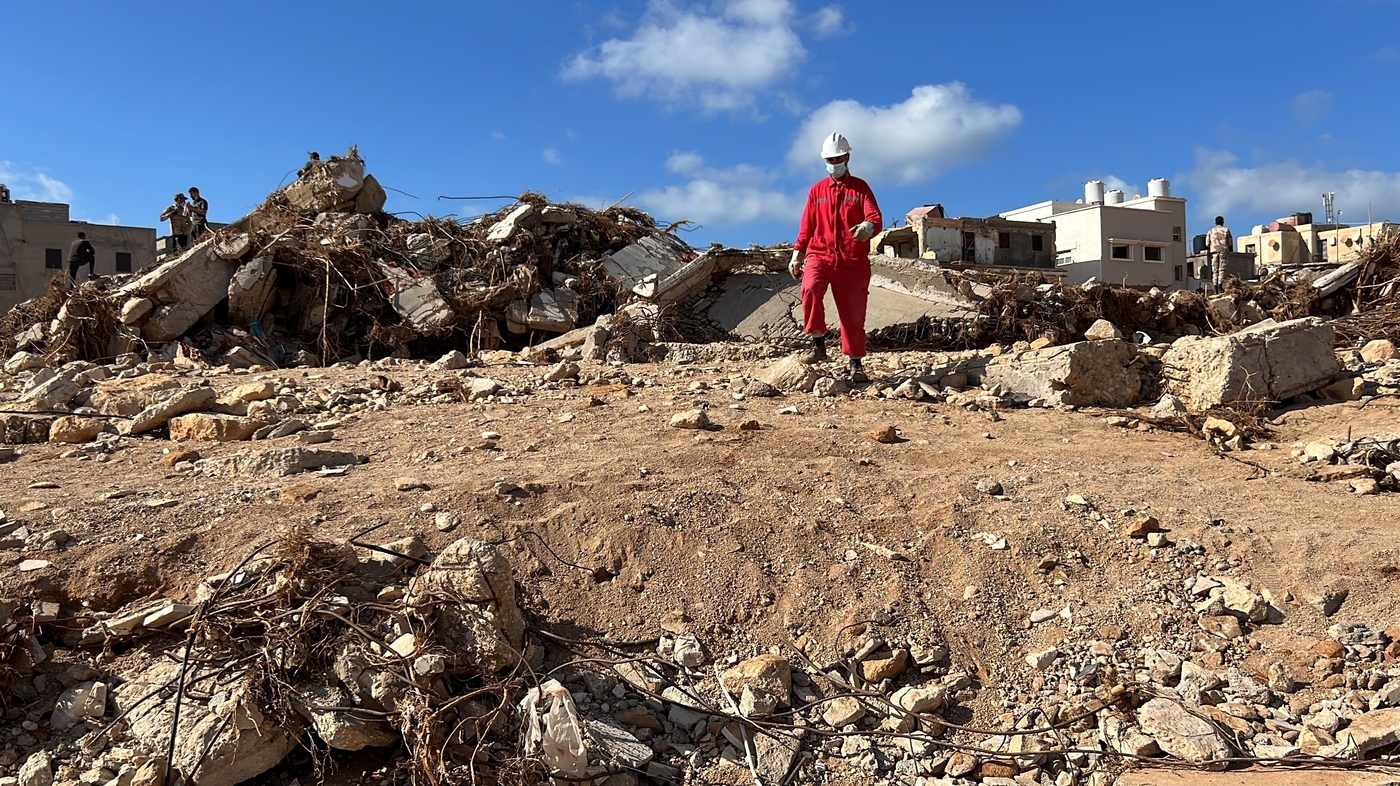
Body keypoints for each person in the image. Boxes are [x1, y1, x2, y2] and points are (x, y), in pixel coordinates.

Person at [789, 133, 882, 383]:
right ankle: (818, 344)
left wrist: (867, 228)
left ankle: (855, 364)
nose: (834, 162)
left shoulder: (860, 188)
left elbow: (874, 217)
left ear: (847, 157)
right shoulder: (816, 191)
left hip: (853, 263)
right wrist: (798, 255)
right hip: (820, 256)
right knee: (809, 289)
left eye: (838, 157)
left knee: (852, 314)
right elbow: (806, 225)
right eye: (830, 159)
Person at [1206, 215, 1233, 294]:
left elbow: (1207, 243)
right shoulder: (1226, 230)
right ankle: (1220, 286)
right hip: (1223, 251)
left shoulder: (1211, 231)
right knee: (1221, 269)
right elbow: (1230, 242)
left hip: (1214, 251)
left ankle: (1215, 287)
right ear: (1223, 222)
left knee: (1215, 270)